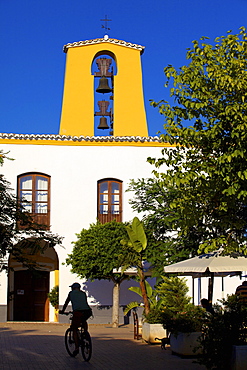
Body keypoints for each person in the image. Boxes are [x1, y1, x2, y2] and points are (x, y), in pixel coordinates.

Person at [60, 282, 92, 357]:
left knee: (74, 328)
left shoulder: (71, 293)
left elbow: (66, 302)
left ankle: (77, 348)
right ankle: (85, 333)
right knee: (84, 320)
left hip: (78, 312)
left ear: (73, 288)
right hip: (87, 311)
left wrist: (62, 311)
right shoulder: (83, 293)